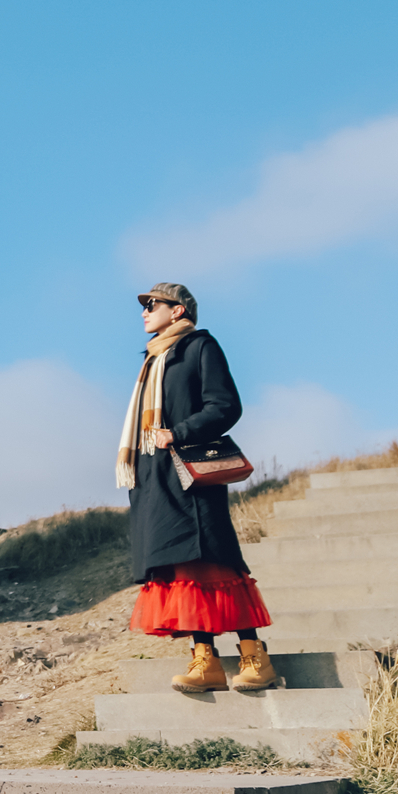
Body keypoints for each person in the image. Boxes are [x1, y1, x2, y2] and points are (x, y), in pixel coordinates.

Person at [116, 283, 282, 693]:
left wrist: (180, 432)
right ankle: (204, 660)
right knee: (179, 565)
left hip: (189, 469)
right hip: (154, 476)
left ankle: (253, 654)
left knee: (213, 560)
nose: (144, 312)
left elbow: (224, 405)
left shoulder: (199, 347)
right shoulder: (154, 359)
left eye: (152, 305)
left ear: (178, 311)